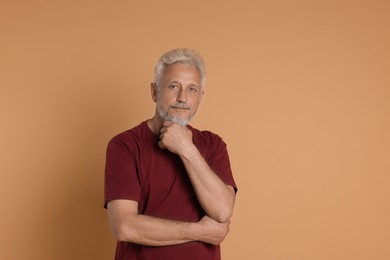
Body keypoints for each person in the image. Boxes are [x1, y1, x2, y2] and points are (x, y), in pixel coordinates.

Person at [104, 48, 238, 260]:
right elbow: (124, 226)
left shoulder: (213, 145)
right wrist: (200, 231)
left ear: (200, 97)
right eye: (173, 86)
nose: (182, 98)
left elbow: (222, 210)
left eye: (192, 89)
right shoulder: (124, 145)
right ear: (155, 91)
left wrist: (186, 149)